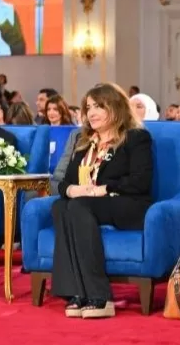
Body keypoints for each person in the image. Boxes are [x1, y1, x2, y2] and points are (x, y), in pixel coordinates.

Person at [52, 82, 153, 319]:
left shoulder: (136, 137)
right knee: (60, 206)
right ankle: (75, 291)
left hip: (127, 203)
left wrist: (102, 189)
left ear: (116, 107)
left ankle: (100, 295)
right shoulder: (84, 141)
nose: (91, 113)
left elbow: (140, 181)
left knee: (79, 205)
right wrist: (73, 190)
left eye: (99, 106)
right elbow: (65, 181)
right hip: (88, 202)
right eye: (88, 107)